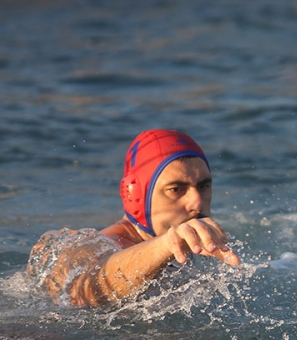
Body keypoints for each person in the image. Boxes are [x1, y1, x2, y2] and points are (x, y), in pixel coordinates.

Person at [25, 129, 240, 307]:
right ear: (135, 195)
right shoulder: (99, 245)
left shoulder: (197, 242)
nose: (197, 203)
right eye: (176, 189)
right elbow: (86, 290)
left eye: (204, 186)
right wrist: (166, 244)